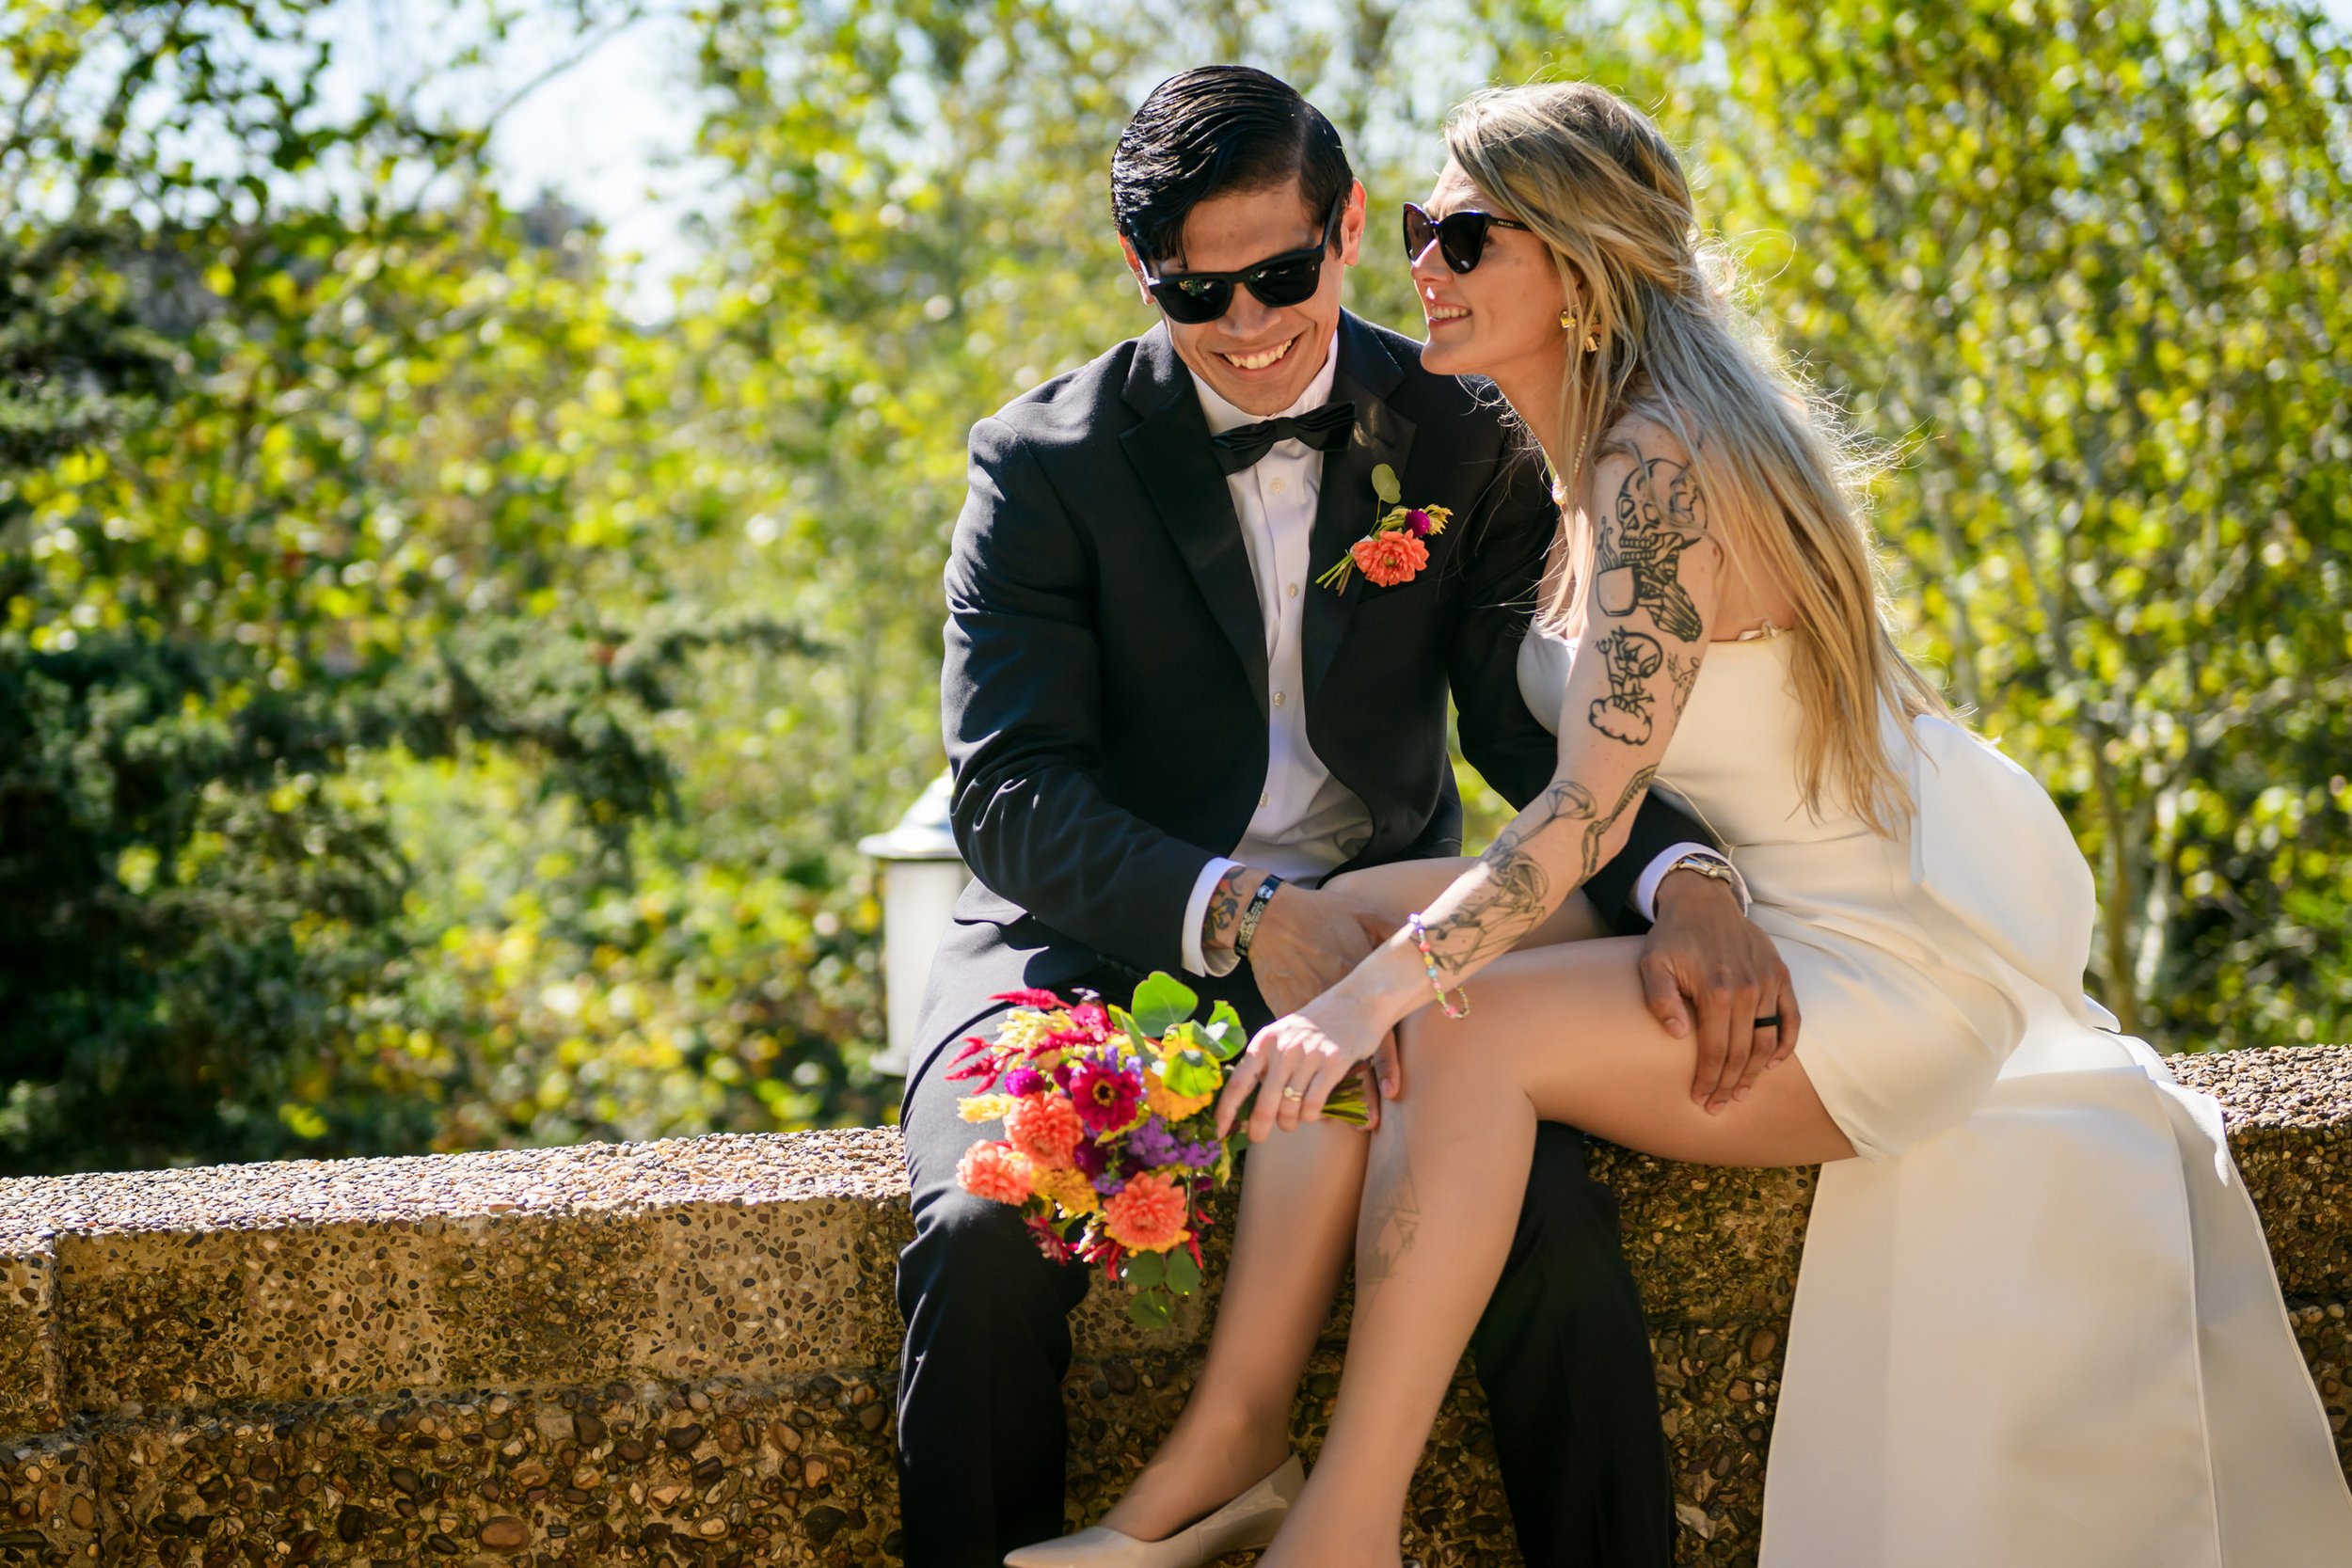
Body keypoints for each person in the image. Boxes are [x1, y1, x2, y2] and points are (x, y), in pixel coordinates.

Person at [1021, 79, 2352, 1568]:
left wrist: (1363, 1009)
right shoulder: (1571, 451)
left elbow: (1582, 815)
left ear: (1579, 266)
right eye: (1417, 231)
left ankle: (1346, 1529)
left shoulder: (1660, 467)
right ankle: (1233, 1437)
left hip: (1869, 961)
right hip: (1757, 901)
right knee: (1349, 923)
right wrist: (1357, 965)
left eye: (1465, 236)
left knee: (1442, 1023)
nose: (1423, 269)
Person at [897, 65, 1804, 1568]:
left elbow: (1543, 734)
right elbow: (1008, 791)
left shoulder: (1462, 428)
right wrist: (1243, 913)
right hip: (1094, 940)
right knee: (983, 1235)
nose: (1248, 330)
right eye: (1200, 295)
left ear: (1349, 226)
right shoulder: (1040, 462)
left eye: (1282, 276)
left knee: (1553, 1228)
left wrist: (1686, 878)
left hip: (1397, 940)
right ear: (1141, 274)